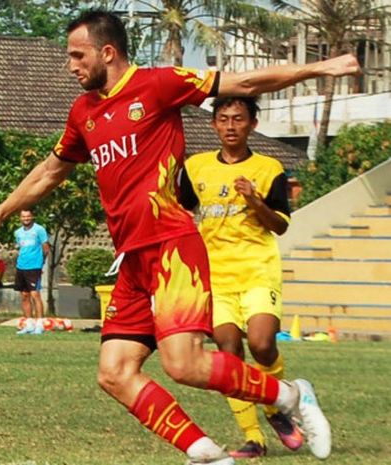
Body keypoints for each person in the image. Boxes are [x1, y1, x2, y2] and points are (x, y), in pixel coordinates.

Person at [0, 9, 358, 464]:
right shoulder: (84, 112)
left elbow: (245, 84)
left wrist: (318, 67)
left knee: (184, 364)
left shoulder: (158, 84)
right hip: (132, 260)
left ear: (107, 52)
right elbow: (51, 171)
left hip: (173, 246)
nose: (69, 65)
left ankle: (292, 397)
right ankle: (208, 454)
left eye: (77, 55)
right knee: (114, 372)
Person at [180, 96, 301, 458]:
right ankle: (253, 437)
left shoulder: (269, 168)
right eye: (223, 119)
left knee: (263, 344)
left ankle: (274, 407)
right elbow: (181, 210)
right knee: (228, 356)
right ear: (214, 124)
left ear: (253, 124)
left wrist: (255, 200)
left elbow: (280, 225)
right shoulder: (196, 167)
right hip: (216, 276)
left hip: (257, 271)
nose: (230, 126)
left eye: (238, 119)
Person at [13, 210, 50, 335]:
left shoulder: (39, 230)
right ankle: (29, 324)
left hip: (34, 267)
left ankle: (39, 324)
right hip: (21, 266)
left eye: (28, 216)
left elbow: (46, 248)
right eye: (23, 216)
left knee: (35, 295)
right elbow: (20, 248)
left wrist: (41, 263)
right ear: (20, 218)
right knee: (24, 295)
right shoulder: (18, 232)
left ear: (32, 217)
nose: (26, 218)